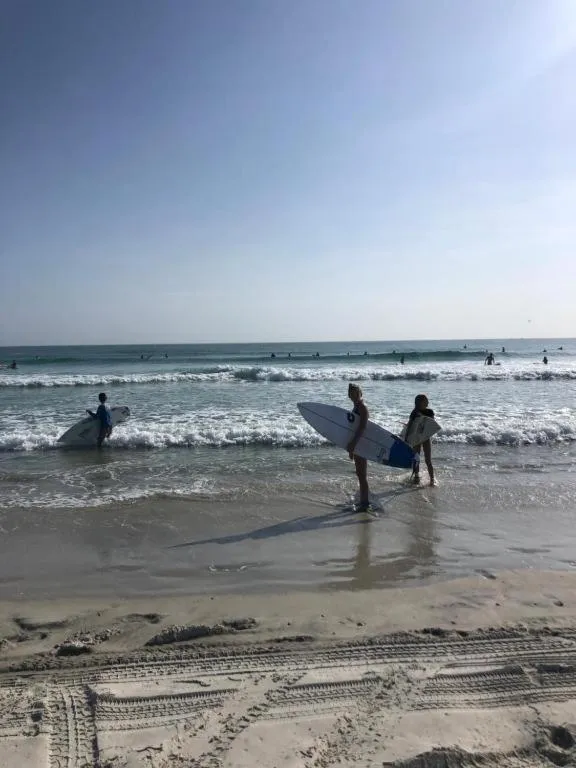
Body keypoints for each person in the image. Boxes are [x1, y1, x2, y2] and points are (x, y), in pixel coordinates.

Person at [346, 383, 370, 511]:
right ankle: (363, 501)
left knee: (362, 475)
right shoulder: (356, 407)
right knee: (360, 474)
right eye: (351, 393)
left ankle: (365, 504)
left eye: (356, 393)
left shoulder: (362, 407)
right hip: (357, 444)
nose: (354, 395)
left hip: (361, 443)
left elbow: (362, 427)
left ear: (361, 393)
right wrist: (352, 449)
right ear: (349, 396)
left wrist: (353, 445)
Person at [406, 394, 436, 486]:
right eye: (426, 400)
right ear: (420, 402)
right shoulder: (414, 412)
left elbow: (432, 424)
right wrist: (406, 437)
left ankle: (432, 479)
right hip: (416, 437)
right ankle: (416, 476)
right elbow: (410, 425)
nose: (428, 402)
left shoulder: (430, 412)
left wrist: (422, 417)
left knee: (428, 460)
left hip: (426, 437)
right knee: (416, 458)